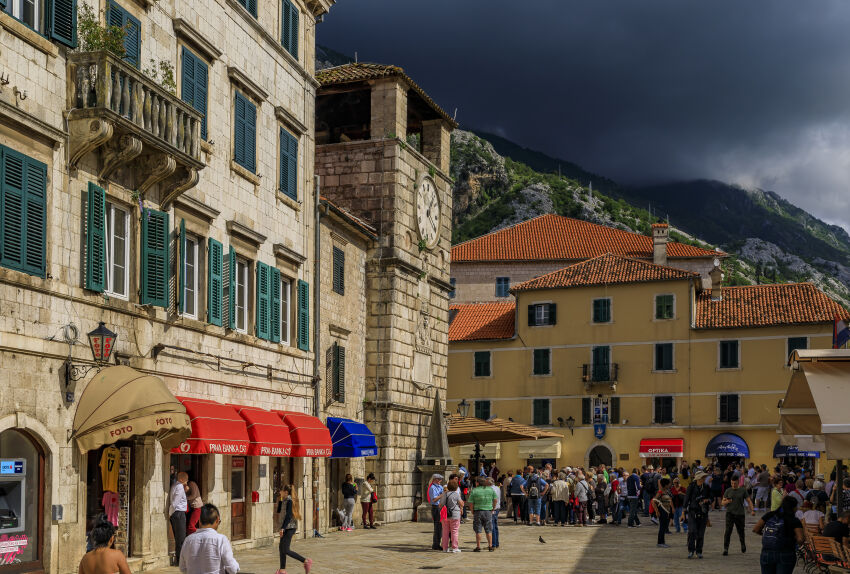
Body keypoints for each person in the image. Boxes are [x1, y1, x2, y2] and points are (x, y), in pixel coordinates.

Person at [178, 503, 239, 574]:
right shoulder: (221, 540)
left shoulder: (188, 540)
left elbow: (182, 568)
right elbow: (233, 569)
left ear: (199, 521)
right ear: (217, 520)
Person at [754, 495, 804, 574]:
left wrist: (769, 534)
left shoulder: (770, 515)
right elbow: (800, 539)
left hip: (767, 553)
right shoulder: (794, 520)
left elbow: (756, 529)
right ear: (793, 508)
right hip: (786, 553)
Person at [275, 485, 311, 574]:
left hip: (289, 528)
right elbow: (278, 511)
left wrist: (283, 528)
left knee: (286, 549)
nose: (280, 492)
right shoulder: (284, 500)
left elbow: (288, 515)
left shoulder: (290, 501)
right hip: (286, 527)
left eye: (281, 491)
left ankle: (306, 561)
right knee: (281, 548)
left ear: (286, 492)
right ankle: (282, 570)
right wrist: (280, 499)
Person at [722, 474, 754, 555]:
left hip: (740, 514)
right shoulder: (728, 490)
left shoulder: (743, 490)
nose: (733, 485)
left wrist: (752, 510)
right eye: (732, 483)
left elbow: (749, 500)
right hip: (730, 514)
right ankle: (726, 549)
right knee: (728, 531)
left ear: (738, 482)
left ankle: (743, 544)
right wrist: (727, 501)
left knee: (741, 531)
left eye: (735, 483)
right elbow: (722, 502)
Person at [684, 470, 712, 559]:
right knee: (692, 532)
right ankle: (691, 550)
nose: (704, 479)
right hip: (692, 512)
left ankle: (699, 551)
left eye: (704, 477)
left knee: (701, 533)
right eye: (703, 477)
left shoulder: (707, 487)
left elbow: (712, 497)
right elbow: (686, 499)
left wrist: (707, 500)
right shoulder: (691, 487)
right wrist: (683, 512)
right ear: (698, 478)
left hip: (703, 513)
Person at [467, 476, 498, 552]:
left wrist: (472, 511)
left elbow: (470, 503)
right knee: (489, 529)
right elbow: (495, 500)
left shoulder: (474, 491)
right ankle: (490, 546)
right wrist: (493, 508)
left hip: (478, 511)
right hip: (488, 511)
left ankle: (478, 546)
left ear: (477, 483)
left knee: (478, 529)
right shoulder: (490, 490)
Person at [438, 475, 463, 552]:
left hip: (445, 515)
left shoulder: (444, 494)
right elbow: (461, 504)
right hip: (455, 514)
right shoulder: (456, 494)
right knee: (454, 531)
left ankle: (445, 548)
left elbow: (440, 505)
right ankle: (455, 547)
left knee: (445, 531)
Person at [169, 471, 189, 565]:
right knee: (181, 538)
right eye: (186, 479)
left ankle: (179, 559)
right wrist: (171, 513)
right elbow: (175, 502)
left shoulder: (175, 485)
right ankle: (180, 561)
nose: (187, 481)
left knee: (179, 538)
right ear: (181, 479)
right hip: (178, 513)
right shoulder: (180, 487)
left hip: (175, 513)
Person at [652, 477, 673, 548]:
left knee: (664, 527)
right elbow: (653, 501)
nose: (670, 485)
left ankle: (662, 542)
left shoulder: (666, 491)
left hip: (666, 511)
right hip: (662, 510)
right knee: (662, 527)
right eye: (668, 484)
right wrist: (657, 511)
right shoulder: (660, 492)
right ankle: (660, 542)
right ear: (665, 485)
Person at [427, 474, 444, 550]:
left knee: (441, 526)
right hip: (436, 507)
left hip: (440, 507)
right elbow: (434, 499)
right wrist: (442, 495)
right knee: (437, 526)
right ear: (434, 479)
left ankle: (438, 543)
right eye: (438, 479)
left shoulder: (440, 487)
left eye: (440, 479)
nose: (440, 480)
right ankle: (435, 544)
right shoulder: (432, 488)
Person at [488, 477, 501, 548]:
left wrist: (492, 509)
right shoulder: (497, 488)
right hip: (497, 508)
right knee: (495, 526)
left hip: (493, 508)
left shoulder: (491, 489)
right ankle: (496, 543)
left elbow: (494, 500)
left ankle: (493, 544)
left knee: (492, 526)